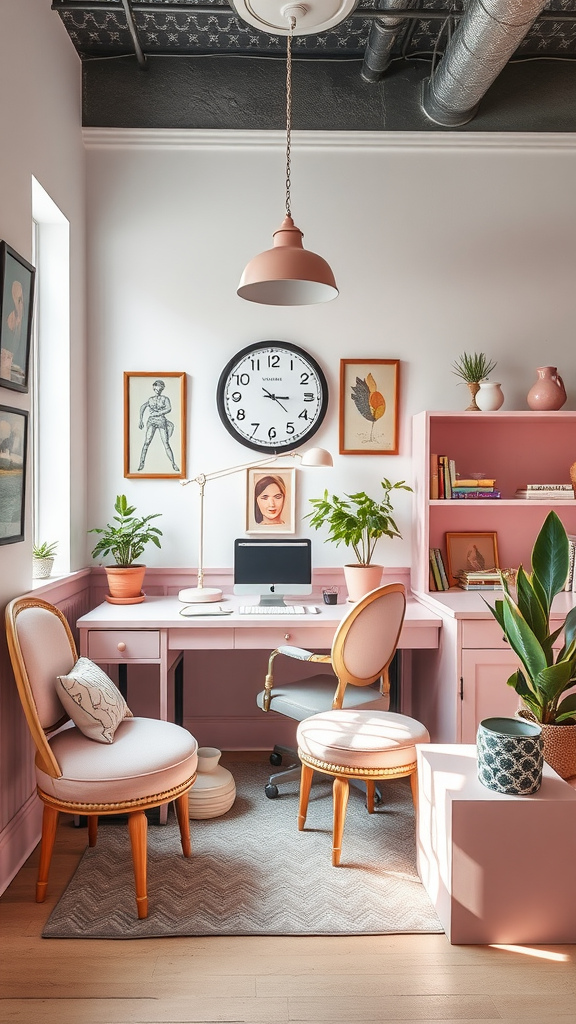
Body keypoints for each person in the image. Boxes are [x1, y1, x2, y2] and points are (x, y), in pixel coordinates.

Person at [138, 379, 179, 472]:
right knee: (147, 442)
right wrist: (140, 420)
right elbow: (142, 407)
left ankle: (173, 463)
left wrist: (158, 413)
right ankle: (141, 463)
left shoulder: (165, 399)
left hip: (161, 421)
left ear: (162, 389)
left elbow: (169, 408)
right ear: (154, 388)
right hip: (152, 421)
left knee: (166, 443)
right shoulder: (150, 399)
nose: (158, 391)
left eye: (160, 389)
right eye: (157, 389)